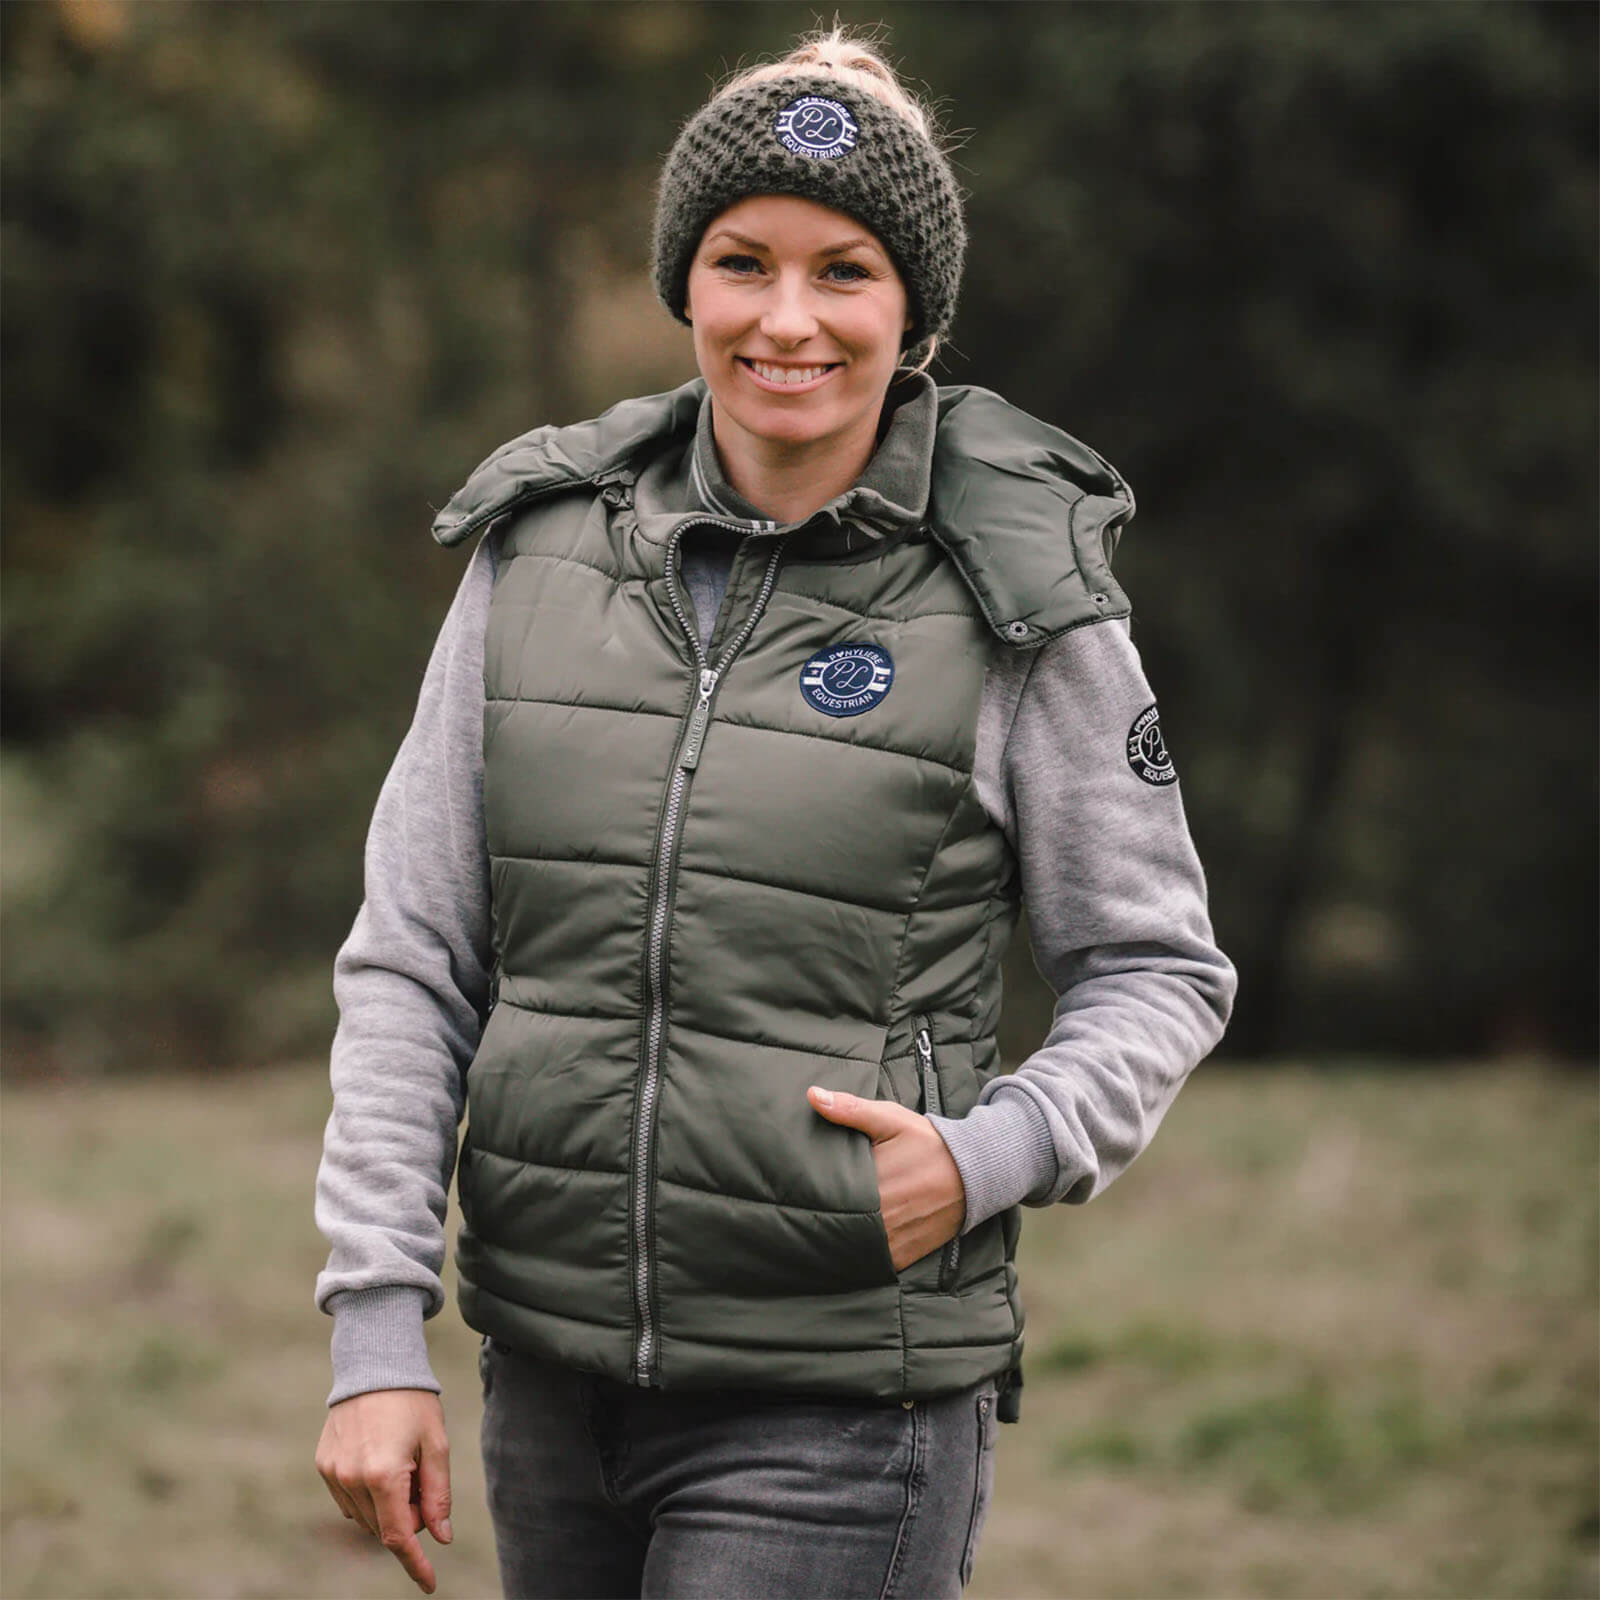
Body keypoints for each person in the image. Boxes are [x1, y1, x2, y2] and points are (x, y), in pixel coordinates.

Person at [312, 24, 1236, 1600]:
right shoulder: (534, 553)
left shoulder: (1023, 598)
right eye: (743, 262)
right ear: (685, 283)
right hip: (550, 1389)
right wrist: (376, 1328)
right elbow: (414, 954)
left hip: (846, 1404)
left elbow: (1159, 967)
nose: (787, 319)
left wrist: (993, 1152)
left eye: (844, 272)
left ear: (913, 311)